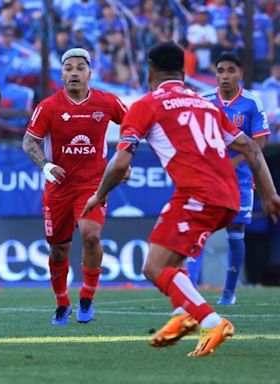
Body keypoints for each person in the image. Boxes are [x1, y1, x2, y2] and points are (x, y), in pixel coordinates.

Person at [82, 42, 280, 356]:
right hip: (229, 195)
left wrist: (98, 195)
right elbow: (251, 148)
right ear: (184, 73)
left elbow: (120, 163)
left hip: (198, 194)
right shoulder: (207, 104)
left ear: (149, 72)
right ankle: (181, 315)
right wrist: (270, 195)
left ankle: (212, 321)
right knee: (174, 257)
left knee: (154, 267)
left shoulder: (146, 105)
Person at [22, 48, 128, 326]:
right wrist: (46, 165)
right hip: (58, 188)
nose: (74, 72)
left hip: (93, 185)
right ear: (62, 74)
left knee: (91, 236)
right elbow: (28, 142)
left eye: (80, 67)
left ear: (89, 73)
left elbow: (132, 125)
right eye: (69, 68)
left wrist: (125, 159)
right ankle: (61, 303)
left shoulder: (107, 102)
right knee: (59, 250)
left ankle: (87, 297)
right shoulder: (48, 106)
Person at [187, 52, 270, 304]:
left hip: (241, 179)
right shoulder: (204, 101)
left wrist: (234, 162)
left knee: (236, 231)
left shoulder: (251, 102)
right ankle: (189, 293)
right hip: (208, 178)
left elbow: (260, 140)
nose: (224, 76)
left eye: (230, 70)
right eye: (220, 70)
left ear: (240, 74)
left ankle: (229, 292)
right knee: (198, 230)